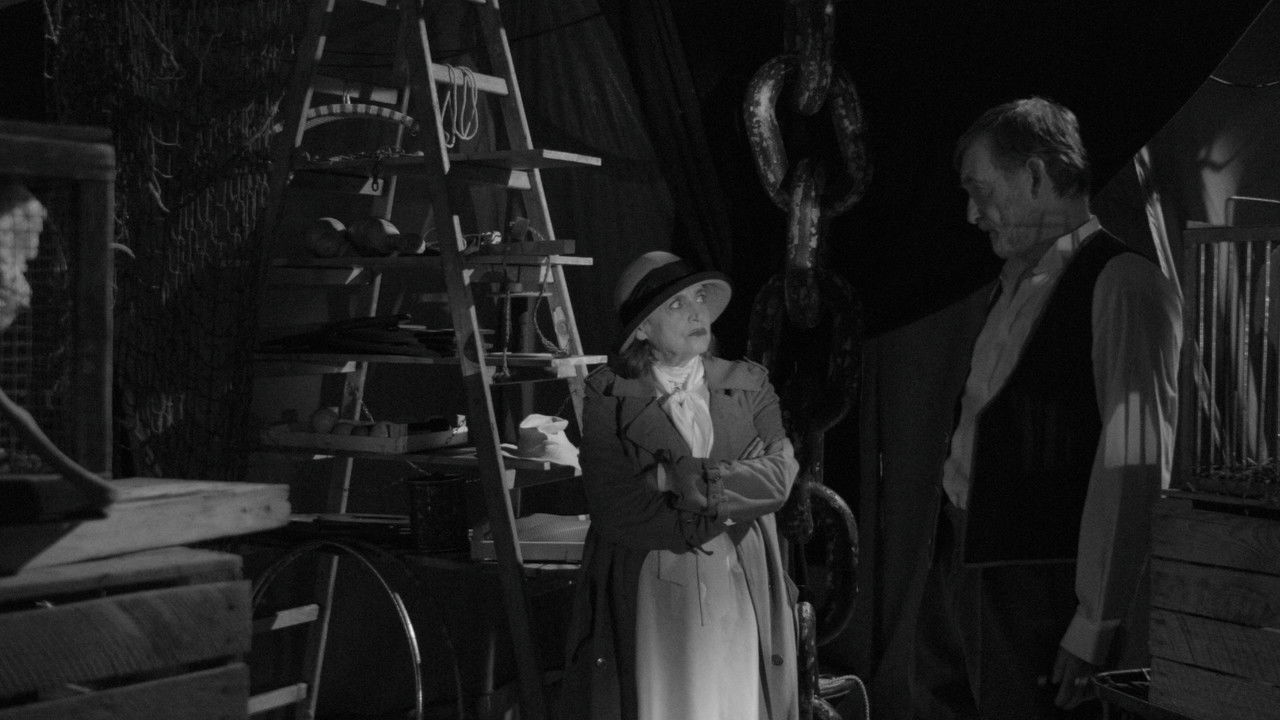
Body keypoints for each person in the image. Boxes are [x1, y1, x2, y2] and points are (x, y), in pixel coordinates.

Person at [911, 97, 1183, 719]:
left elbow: (1133, 465)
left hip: (1038, 594)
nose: (972, 214)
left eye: (981, 191)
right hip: (960, 568)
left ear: (1035, 175)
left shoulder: (1123, 284)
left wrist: (1095, 623)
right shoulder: (1012, 286)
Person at [560, 250, 801, 720]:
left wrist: (674, 478)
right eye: (676, 304)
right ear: (643, 330)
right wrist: (730, 499)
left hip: (739, 582)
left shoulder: (749, 385)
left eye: (699, 298)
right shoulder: (608, 396)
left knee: (737, 703)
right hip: (656, 591)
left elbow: (779, 479)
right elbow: (615, 508)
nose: (696, 312)